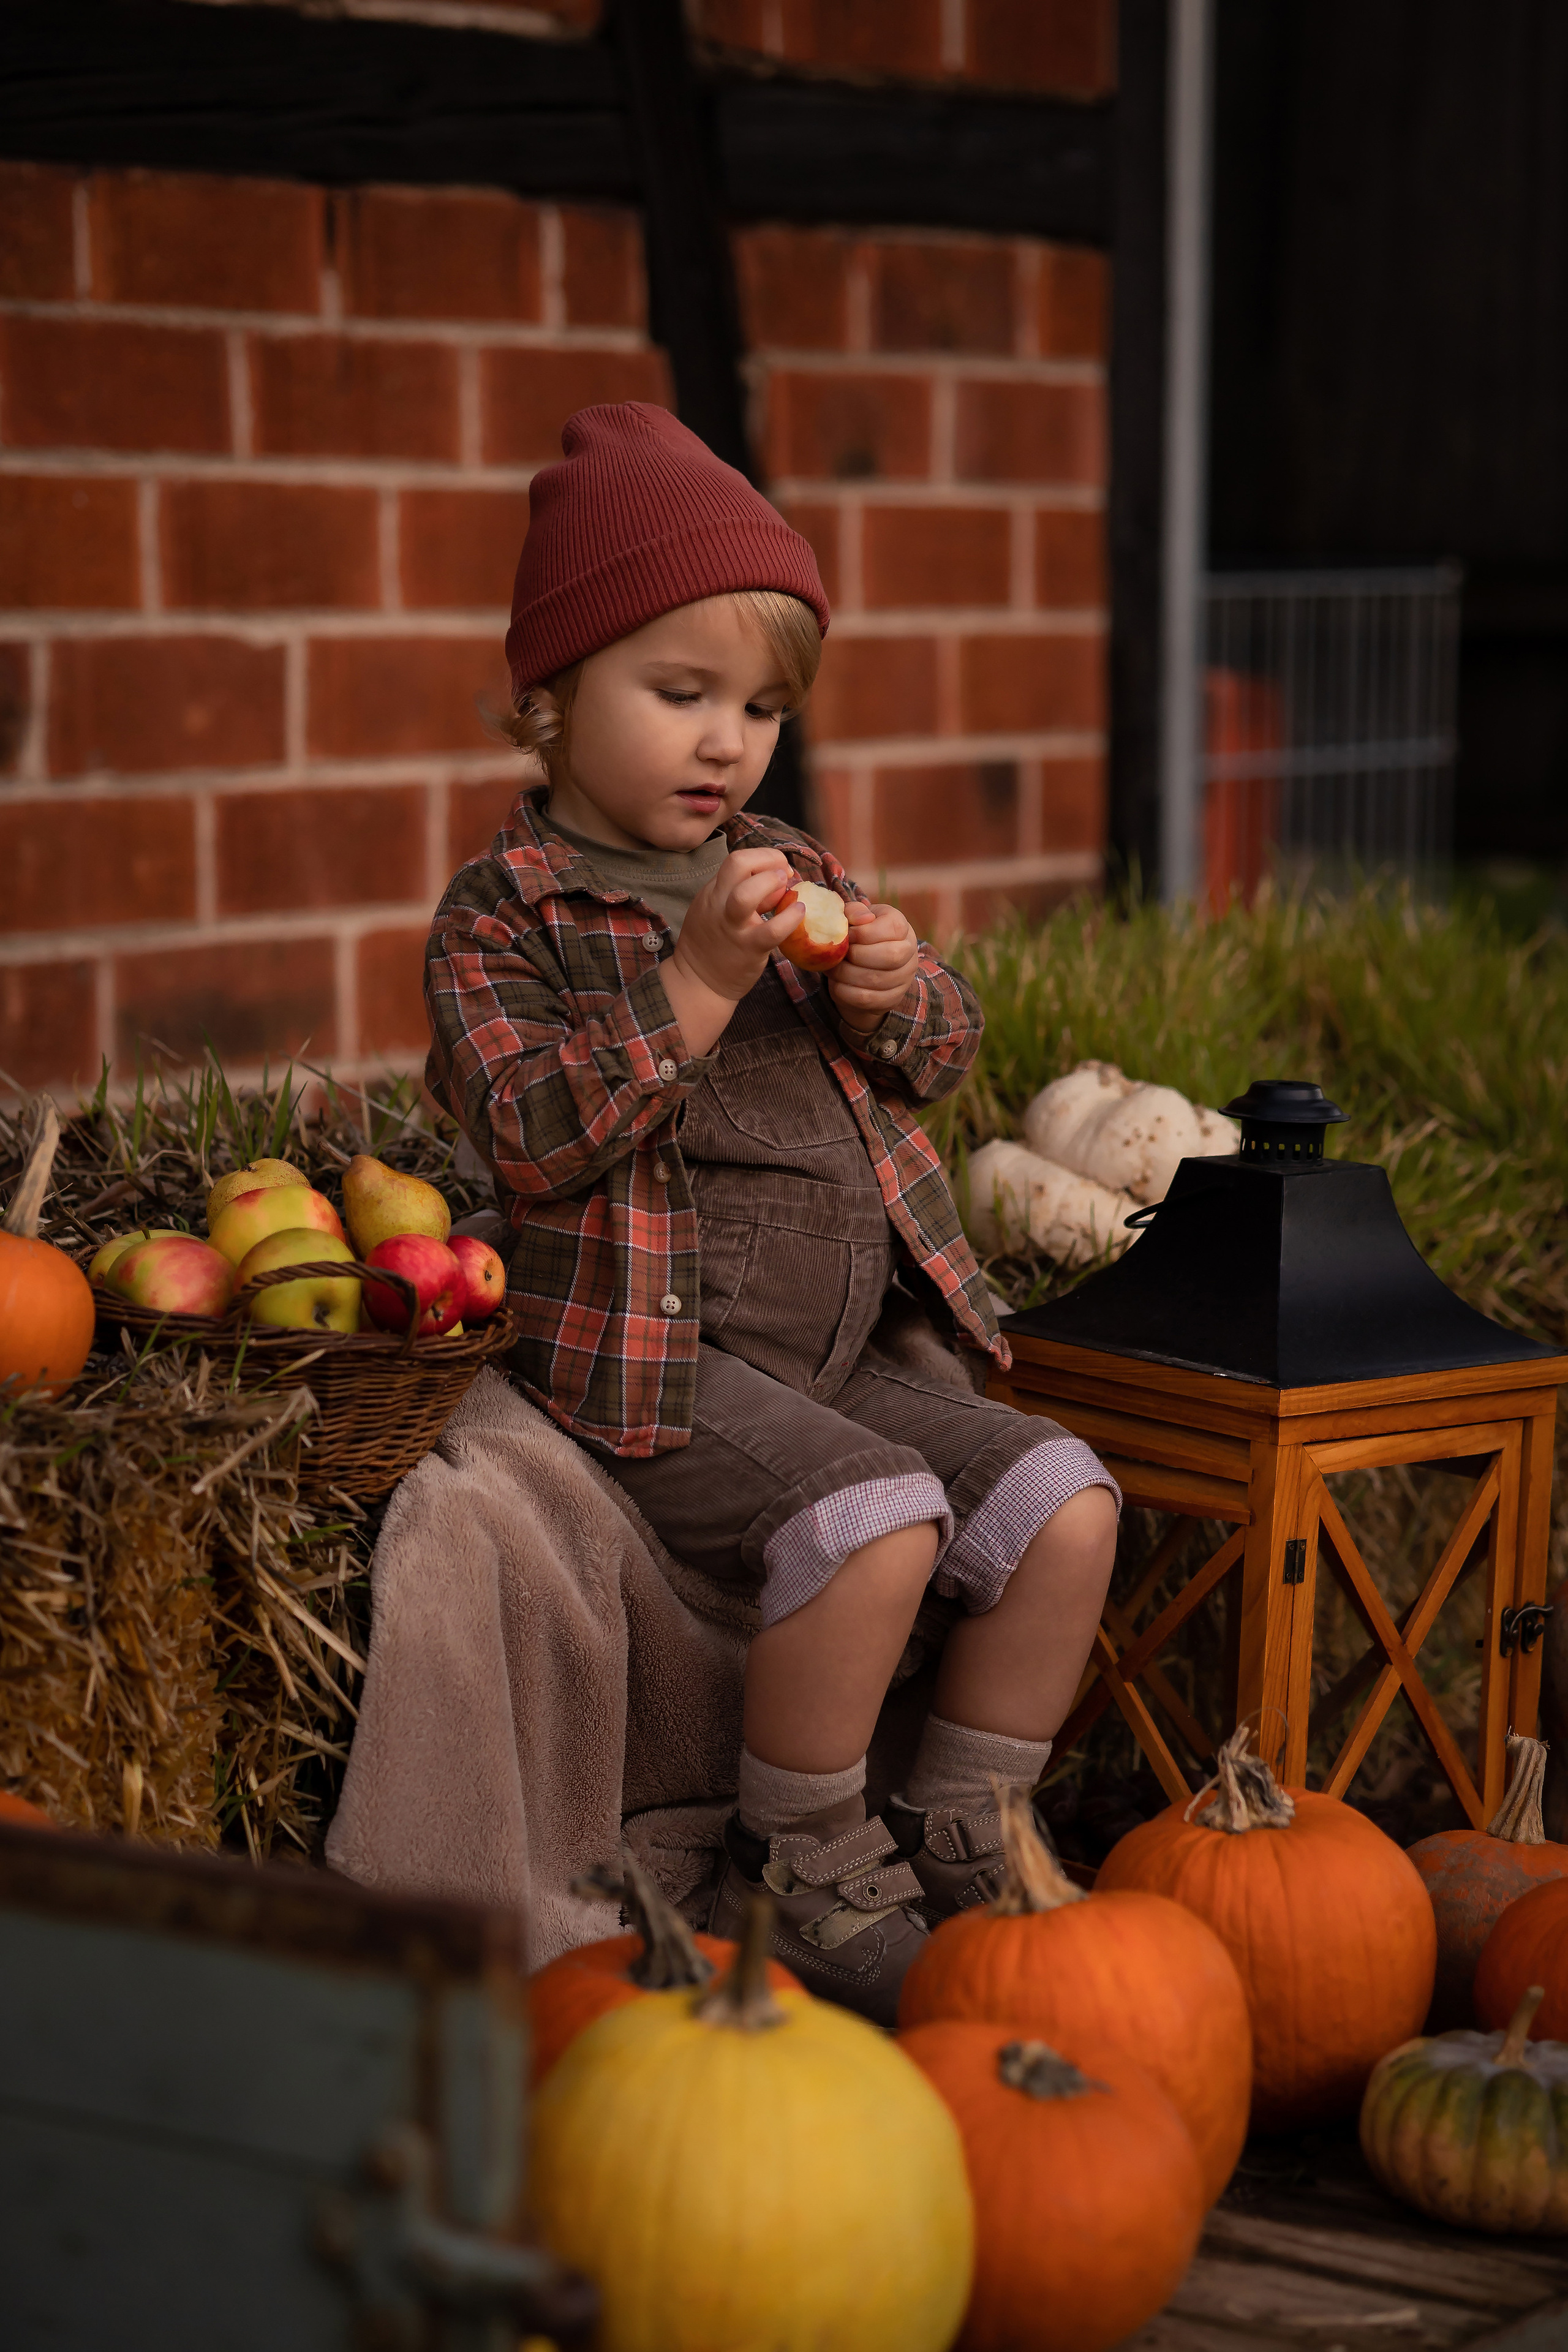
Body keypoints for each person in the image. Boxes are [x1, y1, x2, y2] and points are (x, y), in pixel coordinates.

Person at [425, 402, 1118, 2021]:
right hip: (661, 1368)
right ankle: (796, 1865)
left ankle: (964, 1825)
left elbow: (943, 1058)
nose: (728, 743)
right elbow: (532, 1137)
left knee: (1066, 1510)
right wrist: (700, 980)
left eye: (759, 707)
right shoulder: (499, 922)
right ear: (549, 699)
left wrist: (892, 985)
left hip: (841, 1349)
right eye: (681, 696)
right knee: (871, 1528)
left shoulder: (785, 857)